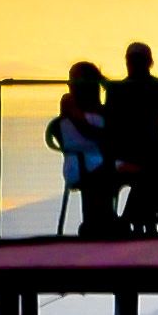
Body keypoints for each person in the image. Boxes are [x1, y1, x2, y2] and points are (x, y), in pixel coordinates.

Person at [101, 43, 158, 232]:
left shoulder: (119, 89)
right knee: (157, 167)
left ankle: (145, 217)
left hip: (141, 151)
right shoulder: (154, 87)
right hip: (137, 152)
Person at [51, 60, 122, 234]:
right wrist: (105, 136)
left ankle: (115, 219)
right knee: (130, 172)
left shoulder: (102, 110)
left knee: (143, 171)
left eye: (73, 79)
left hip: (98, 162)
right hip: (83, 164)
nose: (70, 84)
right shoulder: (69, 102)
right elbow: (86, 131)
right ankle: (106, 222)